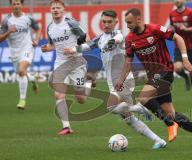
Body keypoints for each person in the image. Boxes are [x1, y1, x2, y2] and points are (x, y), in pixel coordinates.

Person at [65, 10, 167, 149]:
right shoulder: (100, 38)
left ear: (116, 22)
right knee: (128, 119)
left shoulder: (117, 35)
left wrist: (113, 42)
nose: (106, 24)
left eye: (109, 22)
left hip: (123, 80)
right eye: (104, 22)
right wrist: (72, 50)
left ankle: (139, 108)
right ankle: (158, 140)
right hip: (112, 82)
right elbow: (87, 46)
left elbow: (119, 38)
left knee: (110, 107)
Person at [114, 8, 192, 151]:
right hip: (153, 77)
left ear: (139, 19)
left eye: (129, 22)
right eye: (126, 22)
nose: (127, 25)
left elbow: (178, 38)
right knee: (171, 114)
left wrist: (184, 59)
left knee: (143, 97)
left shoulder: (154, 29)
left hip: (165, 71)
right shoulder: (129, 39)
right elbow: (128, 61)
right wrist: (121, 80)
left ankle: (170, 125)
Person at [41, 0, 91, 135]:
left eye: (58, 7)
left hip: (76, 63)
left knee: (80, 99)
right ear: (50, 10)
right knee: (58, 94)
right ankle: (66, 127)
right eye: (53, 8)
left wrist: (74, 49)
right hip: (60, 63)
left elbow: (88, 40)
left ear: (63, 9)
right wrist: (47, 48)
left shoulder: (72, 23)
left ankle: (88, 84)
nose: (56, 10)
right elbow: (52, 45)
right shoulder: (50, 27)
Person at [0, 0, 41, 109]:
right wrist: (8, 32)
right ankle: (32, 79)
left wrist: (36, 40)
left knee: (21, 71)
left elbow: (38, 29)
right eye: (14, 4)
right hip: (14, 52)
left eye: (18, 3)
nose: (16, 5)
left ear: (21, 5)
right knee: (21, 73)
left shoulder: (28, 18)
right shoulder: (6, 20)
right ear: (11, 5)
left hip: (27, 48)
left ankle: (22, 100)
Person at [169, 0, 192, 102]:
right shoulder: (172, 14)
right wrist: (170, 30)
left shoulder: (191, 12)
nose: (176, 1)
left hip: (191, 47)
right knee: (177, 68)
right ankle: (185, 77)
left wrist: (186, 29)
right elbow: (172, 27)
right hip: (178, 46)